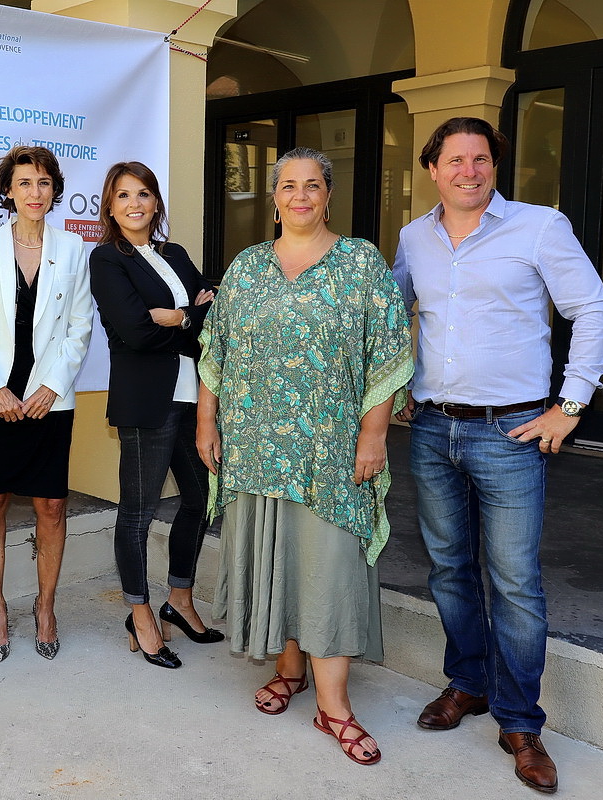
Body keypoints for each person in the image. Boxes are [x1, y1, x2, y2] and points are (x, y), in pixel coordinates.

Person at [392, 117, 603, 794]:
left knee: (514, 582)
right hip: (432, 430)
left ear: (495, 166)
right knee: (449, 570)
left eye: (480, 159)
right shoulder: (413, 237)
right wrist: (395, 384)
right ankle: (468, 684)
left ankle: (520, 720)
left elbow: (596, 311)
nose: (468, 171)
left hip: (514, 432)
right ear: (432, 168)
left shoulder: (540, 228)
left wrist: (570, 405)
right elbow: (391, 309)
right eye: (454, 160)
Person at [196, 147, 413, 766]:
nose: (299, 195)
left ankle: (335, 707)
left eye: (311, 185)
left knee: (331, 568)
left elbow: (388, 352)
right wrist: (206, 424)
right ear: (273, 196)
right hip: (257, 447)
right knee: (280, 559)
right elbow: (217, 349)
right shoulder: (246, 268)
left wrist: (374, 433)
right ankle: (290, 670)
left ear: (328, 194)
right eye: (287, 185)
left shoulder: (359, 264)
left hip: (330, 452)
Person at [0, 146, 93, 662]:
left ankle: (45, 607)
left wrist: (50, 385)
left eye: (45, 183)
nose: (36, 192)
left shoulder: (73, 249)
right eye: (25, 183)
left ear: (56, 190)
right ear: (7, 190)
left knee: (52, 505)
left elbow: (80, 327)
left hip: (48, 402)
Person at [89, 161, 219, 670]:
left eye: (143, 193)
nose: (135, 204)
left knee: (200, 498)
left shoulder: (175, 253)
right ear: (111, 205)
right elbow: (135, 333)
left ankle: (179, 599)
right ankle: (140, 614)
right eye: (123, 196)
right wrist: (193, 316)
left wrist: (180, 316)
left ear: (156, 202)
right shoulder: (107, 259)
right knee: (138, 513)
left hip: (194, 398)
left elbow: (217, 315)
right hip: (147, 402)